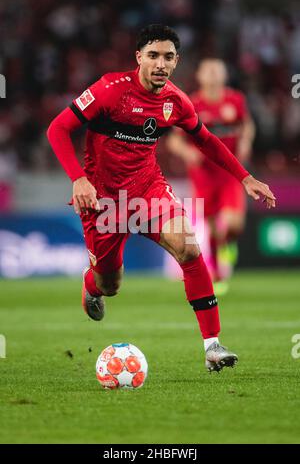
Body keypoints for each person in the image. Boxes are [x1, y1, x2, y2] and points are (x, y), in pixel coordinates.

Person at [47, 25, 275, 373]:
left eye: (168, 57)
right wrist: (78, 179)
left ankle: (212, 345)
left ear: (176, 61)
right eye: (153, 55)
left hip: (148, 190)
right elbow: (58, 128)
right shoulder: (109, 90)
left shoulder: (175, 101)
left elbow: (206, 140)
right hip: (103, 199)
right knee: (110, 284)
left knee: (189, 247)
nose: (160, 63)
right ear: (138, 57)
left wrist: (245, 177)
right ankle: (91, 283)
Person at [166, 58, 255, 291]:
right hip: (203, 174)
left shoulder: (235, 100)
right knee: (213, 225)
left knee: (234, 224)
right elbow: (174, 140)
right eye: (209, 70)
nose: (214, 74)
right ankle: (216, 271)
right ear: (200, 76)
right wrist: (188, 152)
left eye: (218, 70)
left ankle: (229, 244)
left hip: (229, 171)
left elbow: (247, 125)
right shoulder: (191, 104)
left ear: (225, 75)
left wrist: (245, 141)